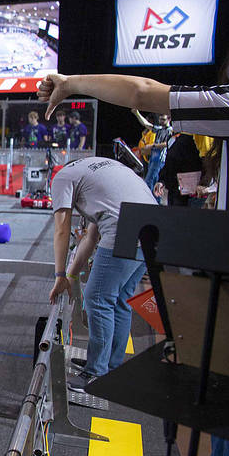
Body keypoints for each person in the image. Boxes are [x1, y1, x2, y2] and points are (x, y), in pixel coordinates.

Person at [39, 6, 229, 456]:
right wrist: (70, 272)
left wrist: (70, 82)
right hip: (166, 236)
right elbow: (90, 228)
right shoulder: (90, 172)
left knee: (103, 302)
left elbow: (144, 91)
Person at [47, 157, 155, 390]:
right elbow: (91, 237)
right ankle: (111, 365)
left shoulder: (62, 179)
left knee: (97, 299)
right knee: (120, 299)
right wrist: (71, 275)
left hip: (124, 230)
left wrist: (58, 275)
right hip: (154, 228)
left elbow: (61, 230)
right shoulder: (96, 174)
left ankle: (97, 373)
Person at [132, 108, 173, 196]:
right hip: (153, 158)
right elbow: (146, 124)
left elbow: (168, 144)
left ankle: (148, 199)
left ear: (169, 119)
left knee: (149, 180)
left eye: (163, 119)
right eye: (160, 119)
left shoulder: (171, 131)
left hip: (160, 159)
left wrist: (153, 146)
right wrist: (137, 113)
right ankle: (154, 200)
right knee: (154, 182)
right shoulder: (159, 129)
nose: (161, 121)